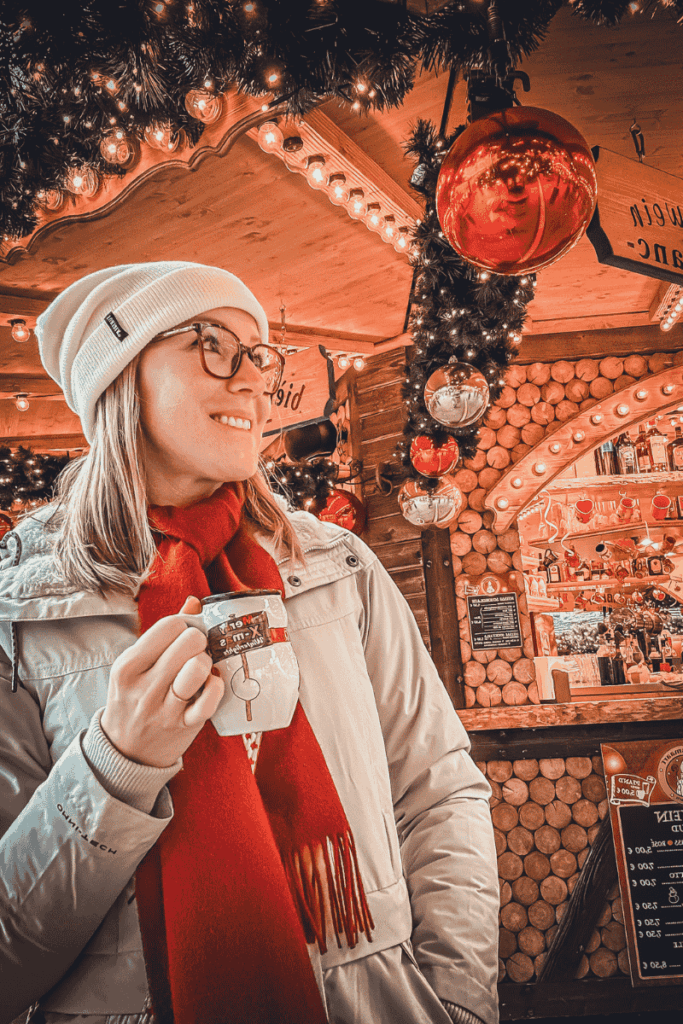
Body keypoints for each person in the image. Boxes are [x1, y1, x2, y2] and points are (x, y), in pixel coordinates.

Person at [0, 262, 499, 1024]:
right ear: (119, 378)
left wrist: (458, 1002)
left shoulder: (337, 568)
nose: (254, 380)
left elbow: (437, 790)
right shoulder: (20, 611)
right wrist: (116, 764)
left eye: (261, 353)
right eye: (210, 342)